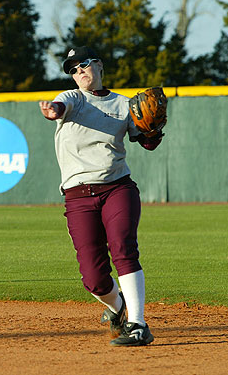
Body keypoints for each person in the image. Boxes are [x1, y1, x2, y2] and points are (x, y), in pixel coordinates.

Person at [39, 46, 163, 347]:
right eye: (73, 69)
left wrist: (155, 129)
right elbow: (58, 108)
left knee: (123, 248)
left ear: (99, 65)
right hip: (78, 196)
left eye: (83, 64)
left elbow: (146, 144)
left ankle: (138, 324)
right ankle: (119, 309)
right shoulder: (72, 98)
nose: (78, 71)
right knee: (93, 278)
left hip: (117, 187)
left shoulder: (124, 105)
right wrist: (51, 111)